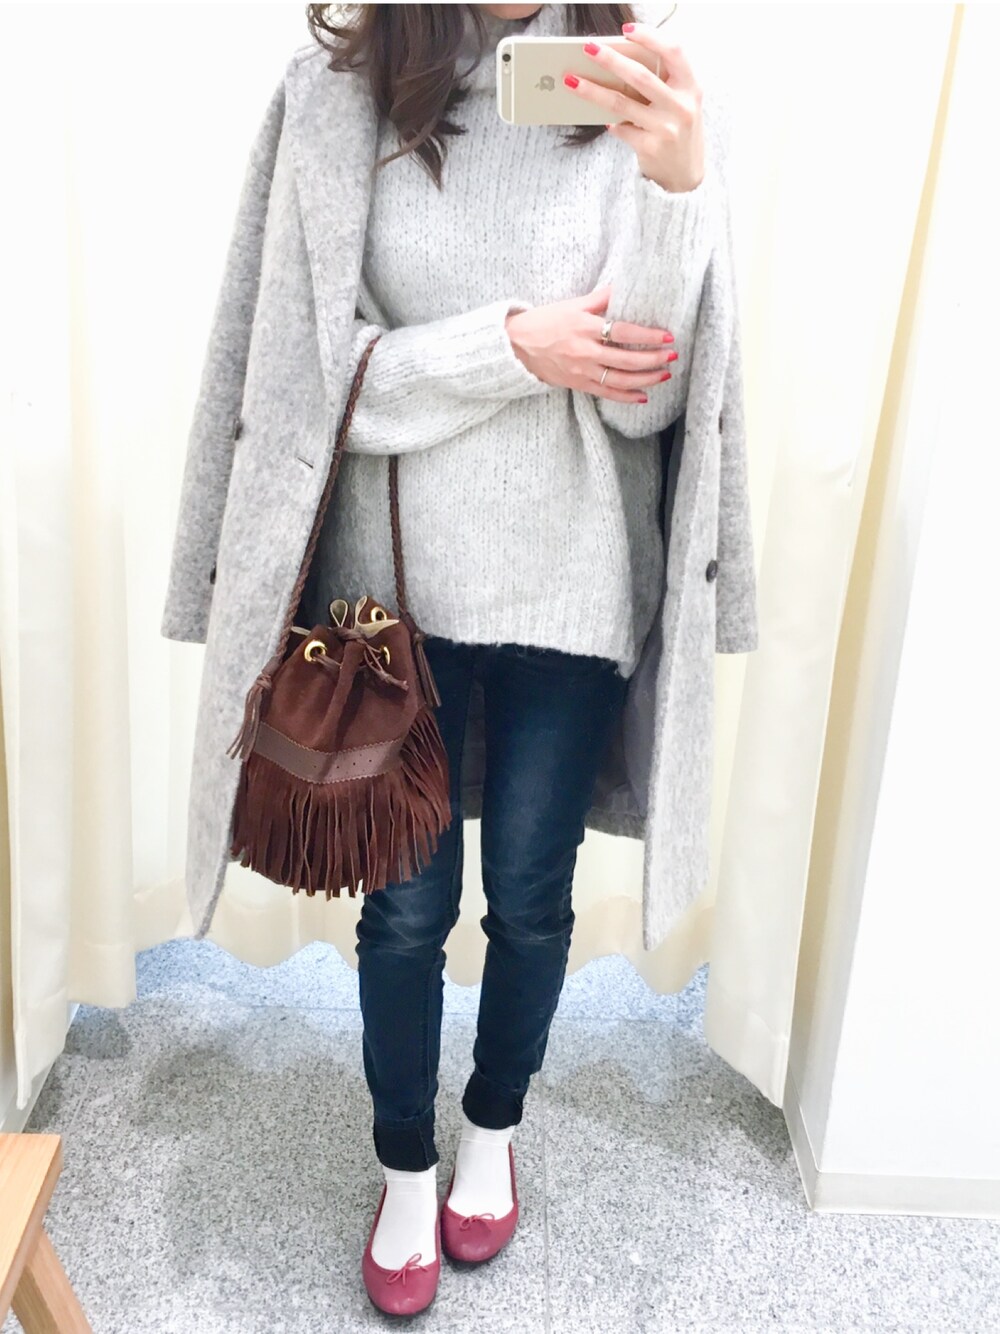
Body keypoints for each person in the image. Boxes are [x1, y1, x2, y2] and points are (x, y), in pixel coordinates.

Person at [296, 2, 719, 1316]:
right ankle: (403, 1167)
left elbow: (645, 400)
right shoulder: (347, 90)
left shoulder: (634, 90)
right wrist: (515, 346)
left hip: (571, 584)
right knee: (402, 913)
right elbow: (318, 375)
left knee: (531, 901)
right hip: (393, 596)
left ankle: (491, 1130)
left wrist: (676, 188)